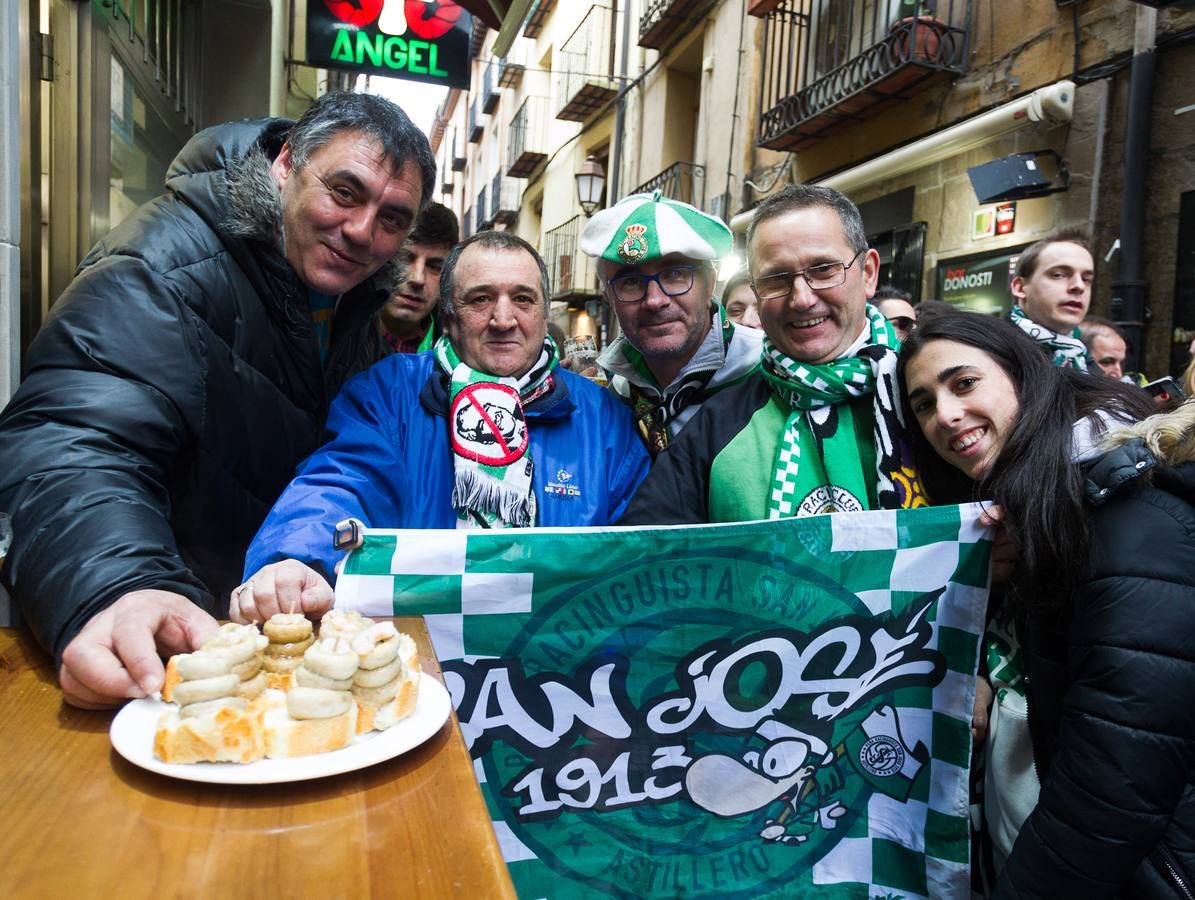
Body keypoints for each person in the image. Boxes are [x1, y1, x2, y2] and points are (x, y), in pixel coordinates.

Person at [0, 91, 436, 709]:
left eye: (392, 218)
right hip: (156, 654)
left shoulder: (353, 304)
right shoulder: (158, 268)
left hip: (253, 665)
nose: (362, 231)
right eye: (344, 191)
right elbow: (74, 441)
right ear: (285, 164)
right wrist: (122, 587)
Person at [897, 310, 1191, 898]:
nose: (946, 415)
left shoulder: (1126, 519)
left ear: (1024, 378)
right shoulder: (1025, 511)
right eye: (924, 404)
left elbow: (1110, 789)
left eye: (964, 383)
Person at [235, 231, 650, 620]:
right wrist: (296, 559)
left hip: (557, 666)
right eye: (481, 299)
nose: (503, 319)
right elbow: (341, 481)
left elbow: (641, 554)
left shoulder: (604, 418)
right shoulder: (389, 391)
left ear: (543, 316)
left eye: (523, 299)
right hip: (416, 663)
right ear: (449, 317)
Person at [618, 183, 923, 524]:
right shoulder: (716, 424)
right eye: (777, 278)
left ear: (868, 273)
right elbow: (645, 554)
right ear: (757, 293)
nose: (803, 299)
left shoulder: (929, 394)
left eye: (823, 269)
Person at [579, 190, 762, 457]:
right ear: (609, 298)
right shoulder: (618, 393)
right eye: (630, 282)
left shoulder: (766, 370)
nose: (654, 301)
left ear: (710, 283)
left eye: (675, 274)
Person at [325, 202, 458, 392]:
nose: (417, 279)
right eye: (406, 258)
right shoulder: (332, 327)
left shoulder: (458, 357)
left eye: (435, 266)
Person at [1008, 229, 1096, 370]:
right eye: (1059, 275)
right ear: (1020, 287)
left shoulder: (1084, 356)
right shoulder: (993, 352)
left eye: (1086, 279)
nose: (1079, 286)